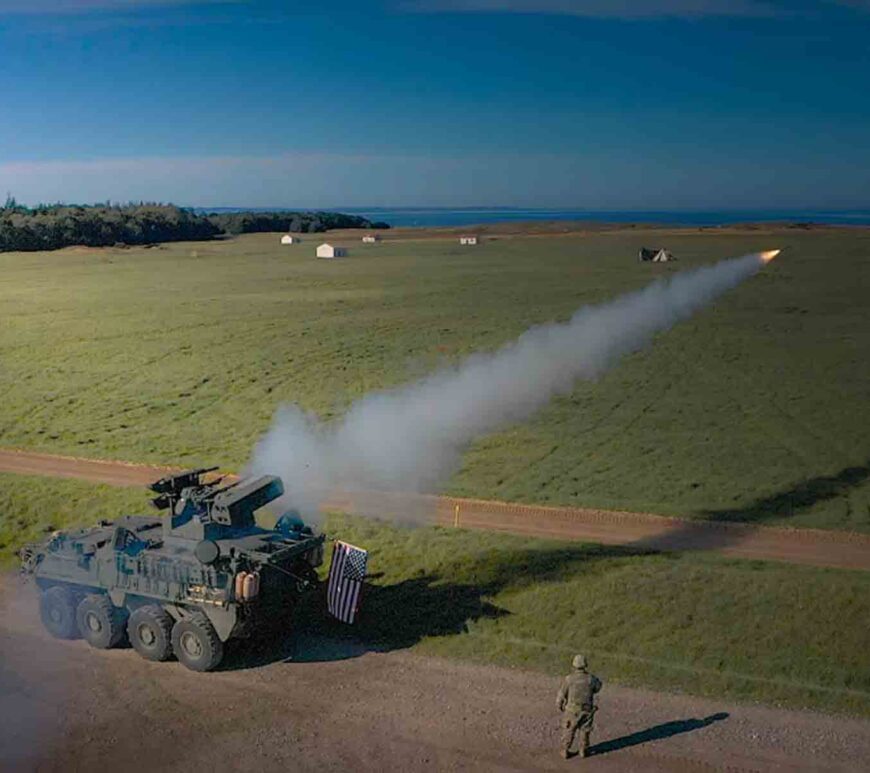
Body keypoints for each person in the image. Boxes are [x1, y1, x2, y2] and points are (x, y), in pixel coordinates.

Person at [556, 654, 602, 759]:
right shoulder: (591, 679)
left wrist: (559, 705)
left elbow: (561, 694)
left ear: (574, 665)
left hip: (572, 710)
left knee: (569, 730)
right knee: (585, 731)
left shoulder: (569, 679)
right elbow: (598, 687)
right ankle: (583, 750)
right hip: (587, 710)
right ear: (585, 665)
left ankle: (565, 750)